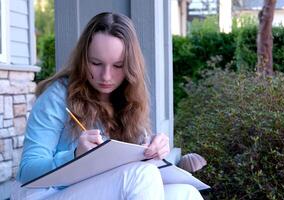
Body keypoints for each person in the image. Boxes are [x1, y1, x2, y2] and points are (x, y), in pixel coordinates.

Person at [11, 12, 203, 200]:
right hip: (45, 192)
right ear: (83, 59)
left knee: (186, 193)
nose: (106, 76)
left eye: (118, 66)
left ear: (130, 66)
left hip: (96, 188)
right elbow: (28, 171)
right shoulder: (57, 96)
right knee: (141, 175)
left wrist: (152, 151)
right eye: (96, 63)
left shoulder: (128, 100)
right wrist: (75, 155)